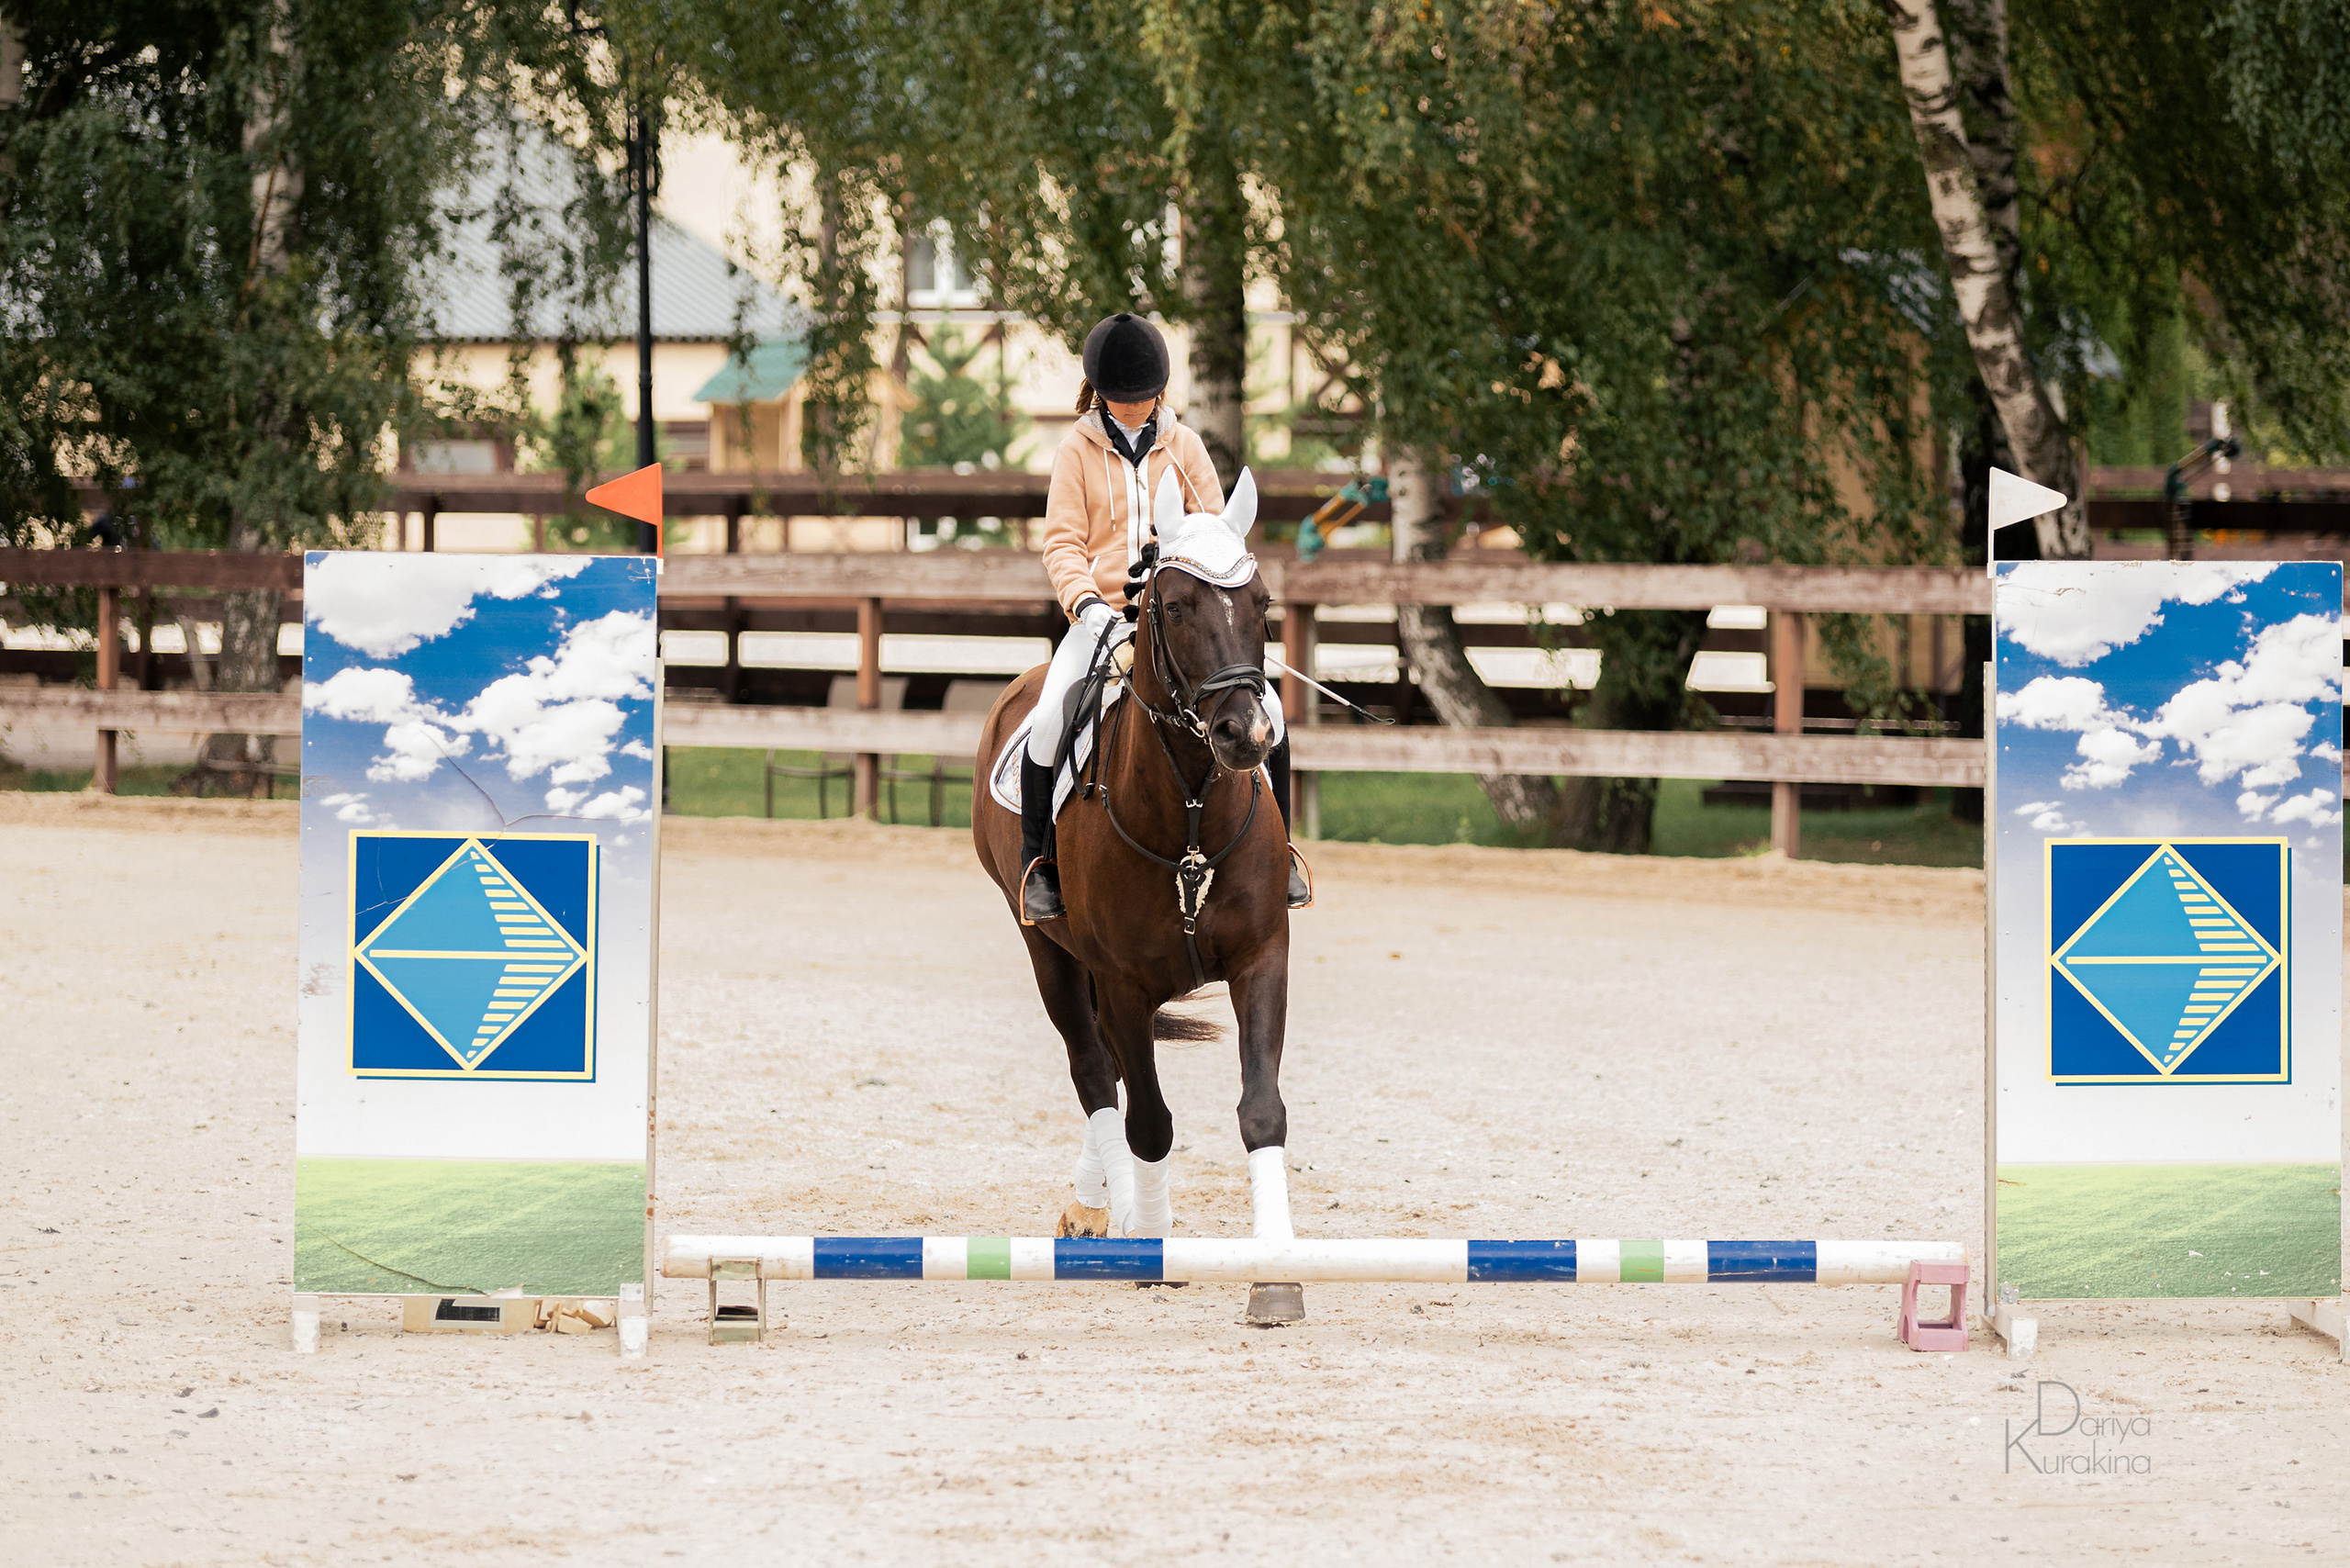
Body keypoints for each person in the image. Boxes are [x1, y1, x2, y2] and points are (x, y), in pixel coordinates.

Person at [1019, 311, 1311, 924]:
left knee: (1273, 714)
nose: (1133, 408)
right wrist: (1087, 604)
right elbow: (1062, 544)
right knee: (1049, 717)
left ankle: (1280, 854)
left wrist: (1188, 576)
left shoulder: (1186, 446)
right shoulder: (1076, 448)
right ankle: (1038, 862)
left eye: (1143, 397)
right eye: (1122, 400)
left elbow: (1215, 532)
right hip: (1102, 620)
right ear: (1100, 393)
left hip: (1182, 625)